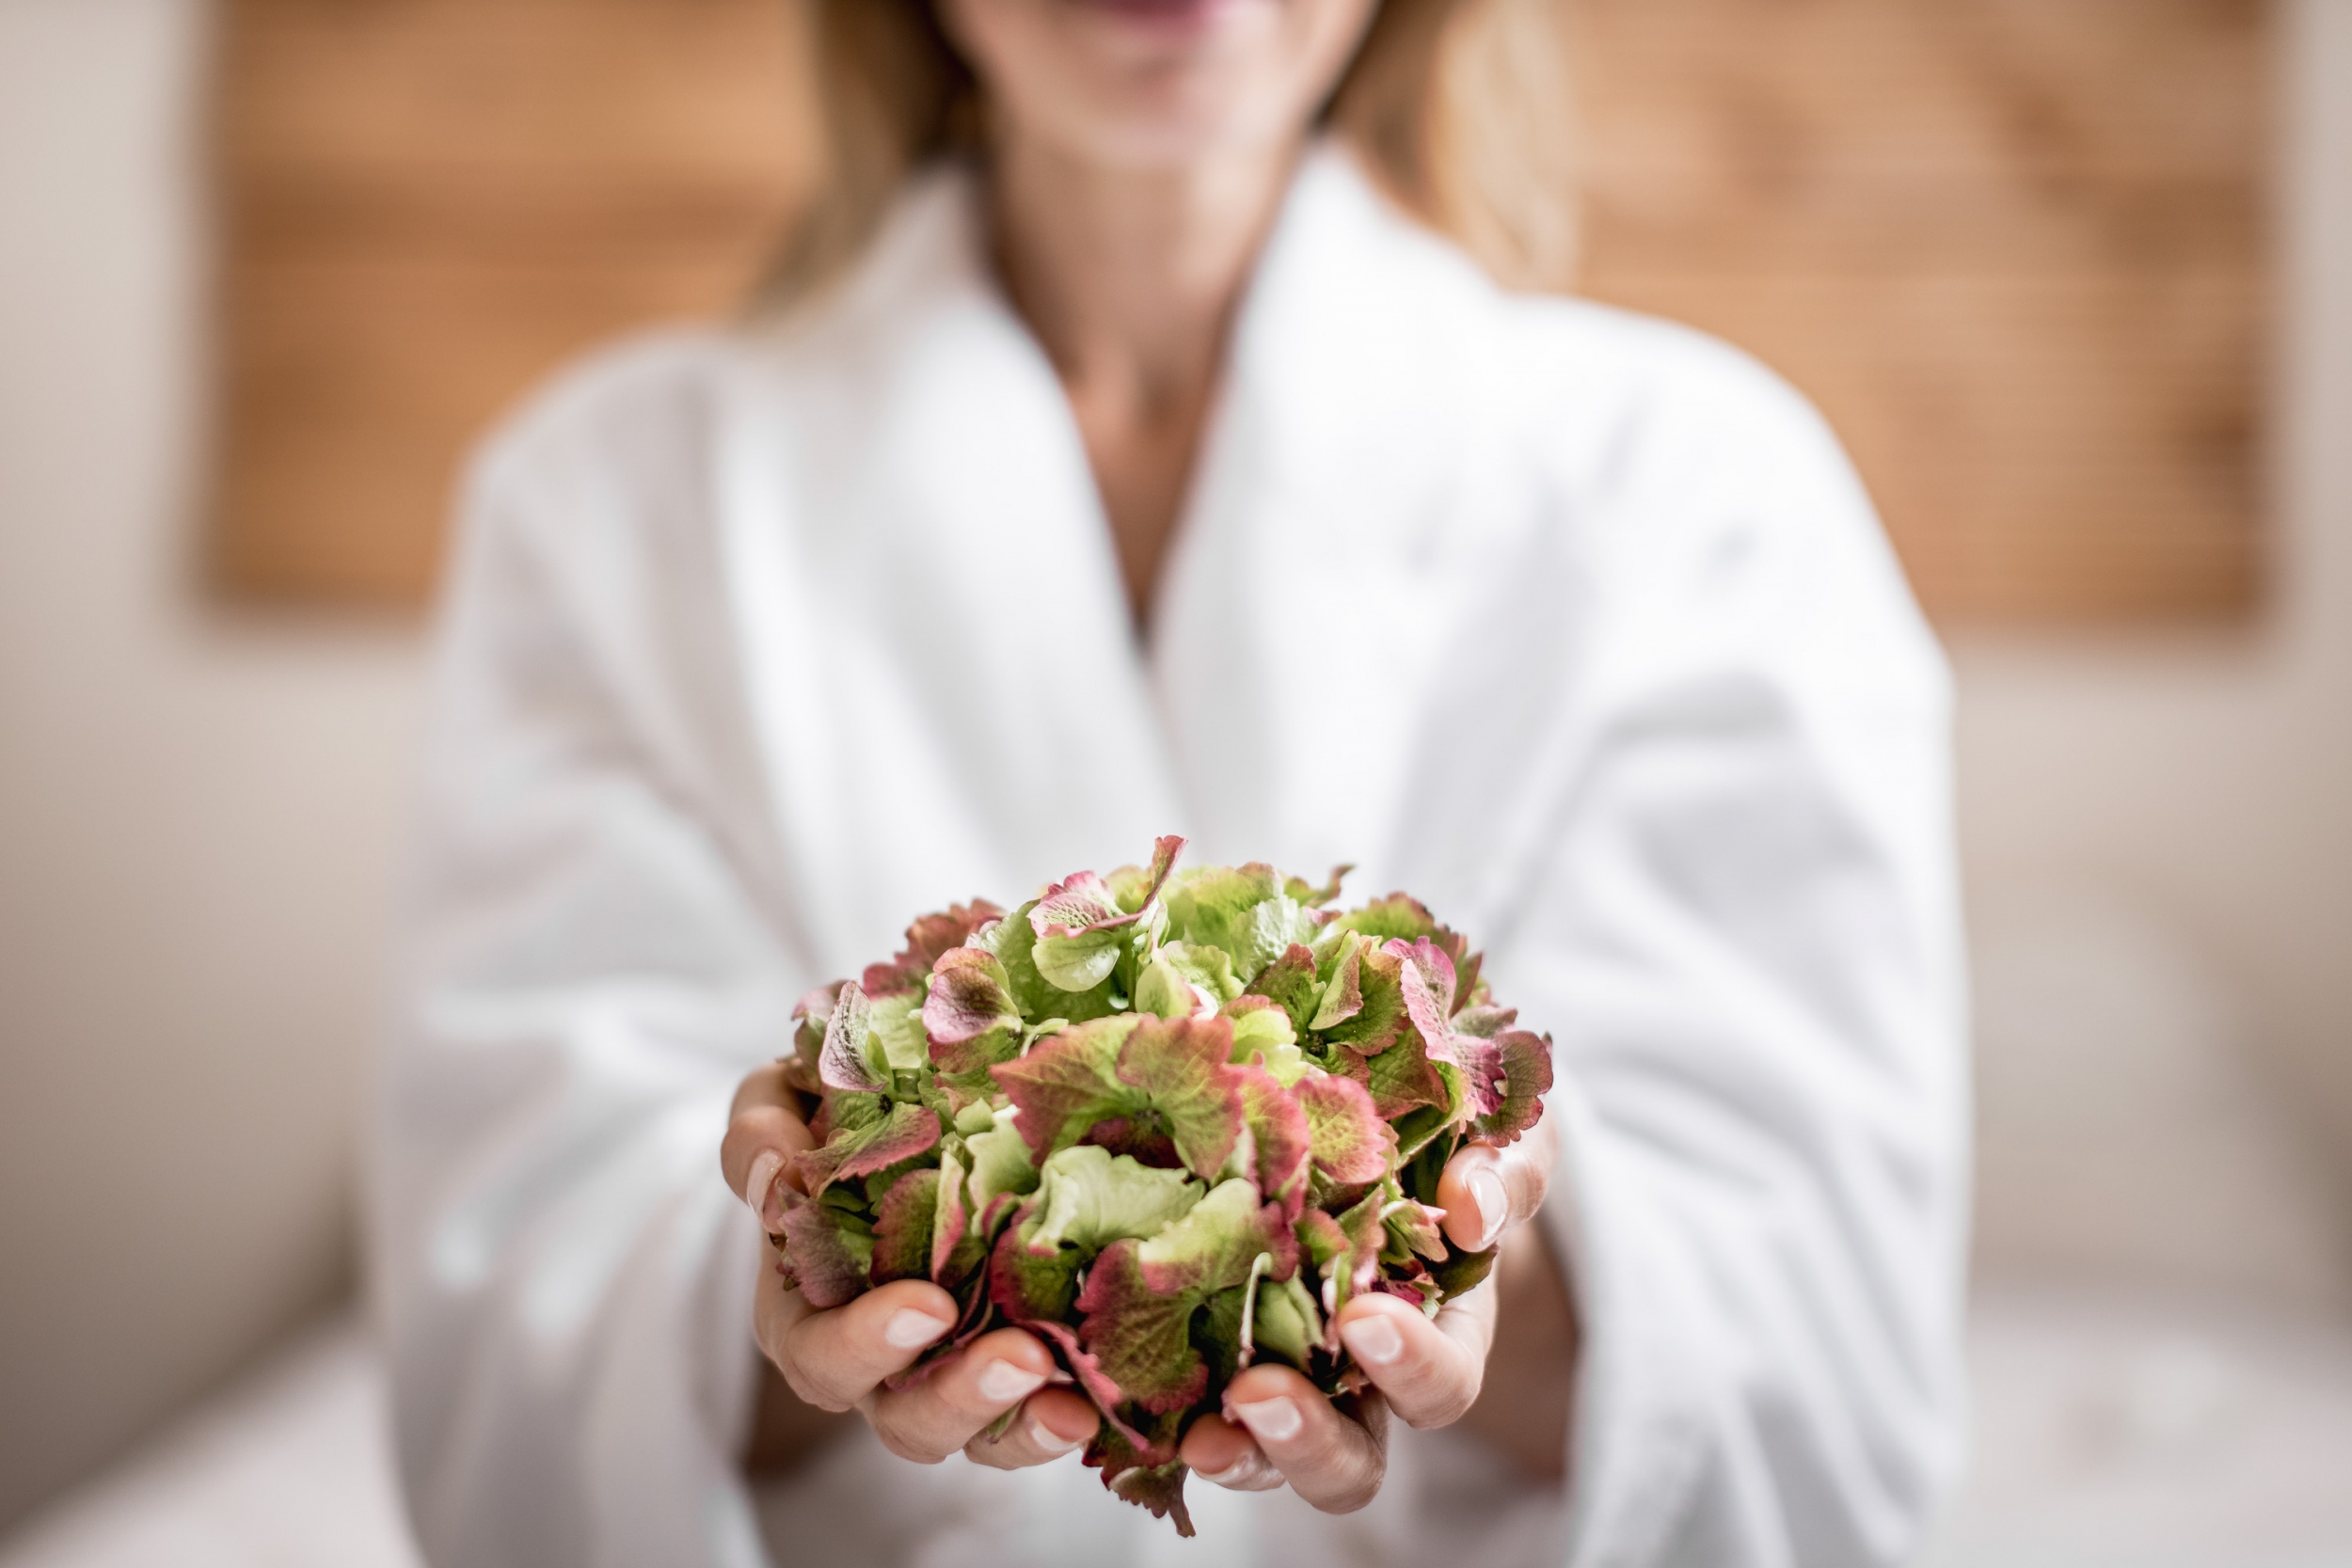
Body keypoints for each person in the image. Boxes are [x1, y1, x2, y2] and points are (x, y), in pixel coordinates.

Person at [373, 1, 1968, 1564]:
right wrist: (811, 1258)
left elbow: (1810, 1364)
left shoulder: (1710, 499)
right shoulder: (605, 504)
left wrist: (1460, 1255)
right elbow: (524, 1299)